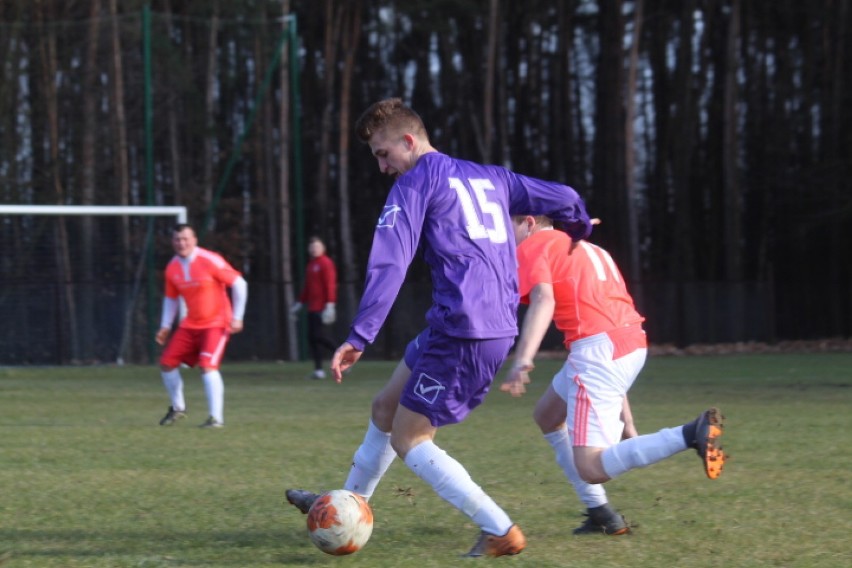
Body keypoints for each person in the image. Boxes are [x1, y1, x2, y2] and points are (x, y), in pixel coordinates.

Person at [285, 97, 594, 557]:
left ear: (409, 141)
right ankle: (345, 506)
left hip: (464, 331)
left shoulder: (415, 185)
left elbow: (389, 262)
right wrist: (579, 228)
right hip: (468, 323)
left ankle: (499, 529)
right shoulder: (494, 177)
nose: (383, 167)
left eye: (383, 154)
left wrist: (359, 335)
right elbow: (566, 198)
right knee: (385, 407)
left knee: (410, 437)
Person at [500, 214, 726, 535]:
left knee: (591, 467)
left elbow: (543, 299)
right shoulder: (587, 247)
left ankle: (690, 434)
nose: (504, 233)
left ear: (530, 222)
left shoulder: (536, 244)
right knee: (547, 415)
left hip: (598, 352)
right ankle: (600, 513)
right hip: (627, 343)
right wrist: (627, 420)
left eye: (507, 222)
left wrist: (522, 358)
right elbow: (608, 321)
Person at [155, 224, 247, 428]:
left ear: (195, 240)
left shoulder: (210, 260)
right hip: (190, 324)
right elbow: (171, 298)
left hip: (216, 322)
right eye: (177, 239)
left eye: (185, 239)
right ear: (173, 242)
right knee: (167, 363)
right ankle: (178, 408)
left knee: (207, 366)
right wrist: (165, 325)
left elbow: (240, 284)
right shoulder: (172, 267)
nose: (182, 243)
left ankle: (216, 418)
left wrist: (238, 317)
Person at [289, 236, 338, 379]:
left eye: (317, 246)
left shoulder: (326, 263)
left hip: (322, 307)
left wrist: (330, 304)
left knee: (320, 336)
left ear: (323, 248)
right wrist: (299, 304)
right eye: (312, 247)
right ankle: (318, 370)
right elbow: (308, 288)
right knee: (313, 338)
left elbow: (330, 284)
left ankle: (343, 357)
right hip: (312, 307)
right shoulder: (311, 265)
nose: (314, 249)